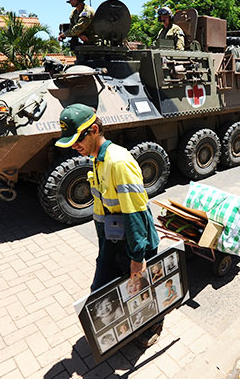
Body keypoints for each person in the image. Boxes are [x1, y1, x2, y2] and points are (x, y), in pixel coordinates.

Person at [55, 104, 163, 348]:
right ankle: (121, 328)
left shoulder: (119, 162)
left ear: (94, 130)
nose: (74, 147)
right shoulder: (96, 160)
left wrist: (137, 257)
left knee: (139, 289)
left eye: (77, 140)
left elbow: (134, 212)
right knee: (100, 291)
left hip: (133, 243)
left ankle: (152, 324)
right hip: (112, 243)